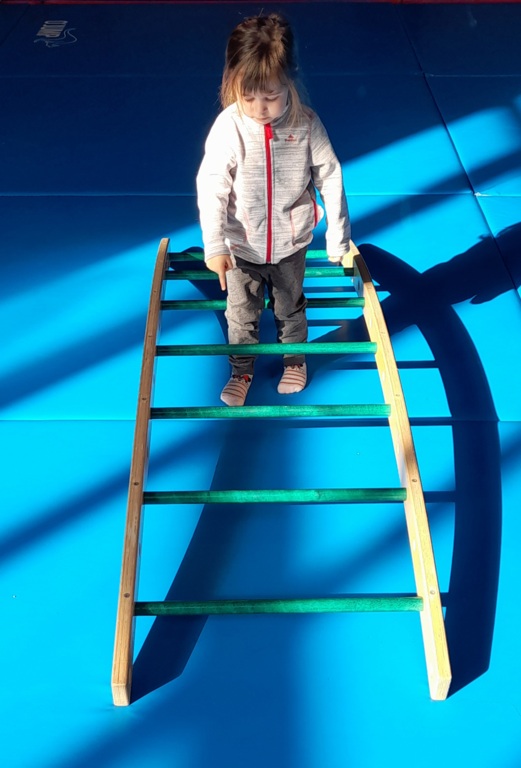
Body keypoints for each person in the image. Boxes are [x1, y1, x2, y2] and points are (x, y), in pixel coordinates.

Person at [197, 13, 353, 406]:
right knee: (241, 314)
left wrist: (338, 238)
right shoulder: (230, 127)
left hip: (290, 243)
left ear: (291, 82)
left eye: (271, 96)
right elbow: (212, 186)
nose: (260, 108)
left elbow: (330, 176)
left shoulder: (306, 124)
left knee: (290, 307)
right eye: (248, 97)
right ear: (233, 84)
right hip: (242, 246)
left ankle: (294, 360)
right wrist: (215, 245)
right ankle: (241, 369)